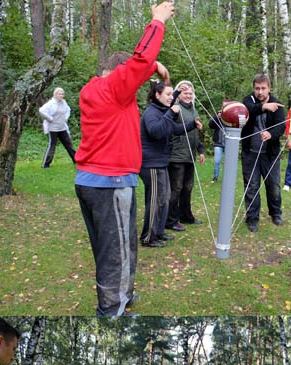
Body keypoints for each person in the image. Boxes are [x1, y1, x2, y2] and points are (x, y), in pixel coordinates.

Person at [73, 2, 174, 315]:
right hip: (110, 184)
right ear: (119, 73)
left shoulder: (94, 89)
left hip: (93, 181)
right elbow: (139, 60)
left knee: (119, 248)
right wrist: (157, 21)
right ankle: (112, 310)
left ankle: (123, 297)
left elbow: (139, 67)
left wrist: (152, 67)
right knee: (115, 254)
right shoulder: (113, 89)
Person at [139, 81, 197, 248]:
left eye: (173, 95)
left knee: (164, 199)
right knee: (155, 200)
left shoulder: (162, 110)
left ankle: (158, 231)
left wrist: (193, 124)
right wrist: (171, 112)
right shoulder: (152, 113)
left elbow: (174, 129)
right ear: (157, 95)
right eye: (168, 94)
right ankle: (148, 237)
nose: (172, 98)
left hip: (161, 162)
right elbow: (156, 131)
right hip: (151, 164)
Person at [241, 74, 286, 232]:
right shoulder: (248, 101)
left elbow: (281, 126)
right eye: (257, 88)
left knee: (273, 186)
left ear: (269, 88)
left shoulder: (278, 104)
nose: (260, 92)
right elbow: (247, 110)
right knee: (251, 187)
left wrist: (271, 134)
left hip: (270, 154)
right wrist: (264, 107)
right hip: (250, 154)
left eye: (263, 88)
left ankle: (276, 213)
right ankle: (252, 219)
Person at [166, 80, 205, 231]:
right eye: (185, 92)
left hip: (190, 155)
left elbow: (195, 131)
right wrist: (175, 94)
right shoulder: (175, 108)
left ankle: (186, 216)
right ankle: (171, 220)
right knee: (176, 188)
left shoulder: (194, 110)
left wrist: (200, 150)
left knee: (188, 188)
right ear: (179, 94)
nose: (188, 95)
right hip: (177, 155)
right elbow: (167, 111)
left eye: (190, 93)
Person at [39, 87, 77, 167]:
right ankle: (46, 164)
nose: (61, 95)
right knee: (52, 145)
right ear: (55, 94)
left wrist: (65, 118)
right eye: (59, 94)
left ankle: (76, 160)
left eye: (62, 94)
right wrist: (50, 118)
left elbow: (68, 110)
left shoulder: (64, 102)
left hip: (62, 127)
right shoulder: (51, 103)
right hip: (53, 128)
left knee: (68, 144)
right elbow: (41, 110)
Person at [209, 112, 226, 183]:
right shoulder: (219, 116)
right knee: (217, 161)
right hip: (218, 144)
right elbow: (211, 125)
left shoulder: (232, 116)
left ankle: (227, 178)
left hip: (229, 144)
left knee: (228, 162)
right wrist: (217, 117)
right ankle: (215, 177)